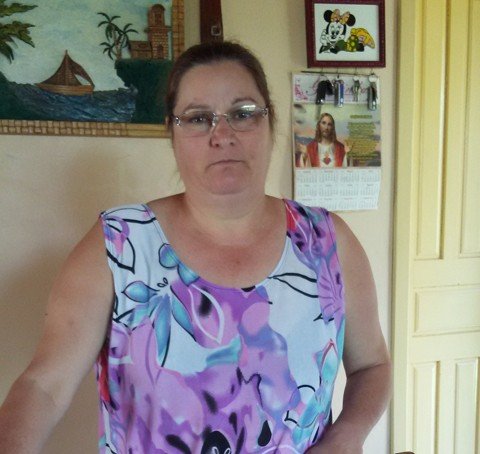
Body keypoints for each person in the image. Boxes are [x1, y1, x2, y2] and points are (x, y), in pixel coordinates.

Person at [0, 41, 391, 453]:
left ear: (270, 122)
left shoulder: (328, 242)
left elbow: (372, 366)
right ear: (172, 133)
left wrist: (347, 437)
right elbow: (44, 387)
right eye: (198, 118)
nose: (222, 135)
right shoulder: (118, 246)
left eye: (243, 113)